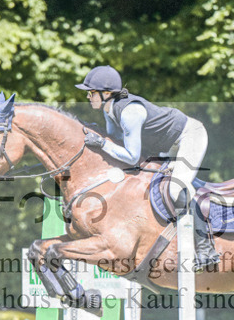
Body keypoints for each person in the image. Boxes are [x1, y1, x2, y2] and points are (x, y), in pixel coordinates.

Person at [75, 65, 220, 271]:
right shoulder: (109, 110)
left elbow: (132, 156)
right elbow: (115, 141)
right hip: (163, 145)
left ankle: (206, 250)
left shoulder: (129, 113)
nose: (88, 97)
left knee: (176, 189)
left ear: (106, 93)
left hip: (188, 137)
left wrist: (101, 143)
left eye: (91, 92)